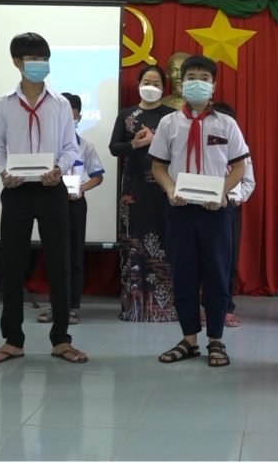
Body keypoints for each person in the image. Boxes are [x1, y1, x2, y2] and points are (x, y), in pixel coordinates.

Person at [0, 32, 87, 365]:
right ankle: (12, 340)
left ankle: (61, 340)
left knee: (59, 265)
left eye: (44, 59)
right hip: (16, 191)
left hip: (51, 190)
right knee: (12, 266)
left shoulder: (59, 104)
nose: (39, 64)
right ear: (17, 62)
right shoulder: (3, 104)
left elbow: (70, 147)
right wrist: (3, 171)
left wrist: (59, 169)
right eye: (32, 59)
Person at [150, 55, 249, 367]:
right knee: (184, 275)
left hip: (215, 212)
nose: (197, 83)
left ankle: (216, 340)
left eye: (204, 78)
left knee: (217, 276)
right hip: (180, 211)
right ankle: (189, 340)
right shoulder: (168, 123)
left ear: (213, 86)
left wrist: (221, 192)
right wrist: (170, 189)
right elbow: (158, 166)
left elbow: (239, 166)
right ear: (181, 82)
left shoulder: (226, 123)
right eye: (191, 77)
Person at [110, 65, 177, 322]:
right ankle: (134, 308)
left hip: (163, 186)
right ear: (138, 85)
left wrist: (155, 139)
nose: (151, 87)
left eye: (156, 83)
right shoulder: (126, 114)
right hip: (134, 188)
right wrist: (135, 143)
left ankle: (166, 308)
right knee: (133, 243)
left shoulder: (171, 116)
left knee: (165, 242)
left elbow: (179, 148)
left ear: (163, 87)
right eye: (146, 82)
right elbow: (114, 148)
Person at [37, 93, 105, 325]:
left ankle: (73, 307)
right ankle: (55, 305)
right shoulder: (45, 146)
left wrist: (82, 188)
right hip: (50, 202)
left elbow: (97, 176)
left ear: (79, 118)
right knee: (53, 255)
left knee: (74, 256)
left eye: (72, 117)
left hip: (75, 205)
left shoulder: (85, 146)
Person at [211, 101, 254, 328]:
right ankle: (204, 307)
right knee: (203, 260)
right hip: (201, 206)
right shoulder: (201, 146)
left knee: (229, 260)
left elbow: (249, 182)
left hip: (230, 208)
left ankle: (226, 308)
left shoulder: (240, 149)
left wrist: (234, 199)